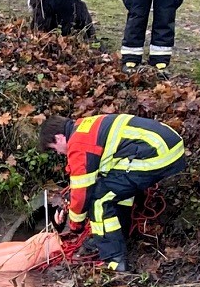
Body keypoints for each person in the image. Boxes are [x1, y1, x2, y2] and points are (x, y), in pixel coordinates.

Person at [37, 113, 187, 273]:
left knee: (99, 199)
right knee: (115, 192)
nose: (59, 153)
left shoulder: (78, 144)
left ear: (59, 138)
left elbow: (83, 192)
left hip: (159, 156)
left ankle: (114, 261)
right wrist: (67, 202)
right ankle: (115, 237)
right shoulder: (84, 127)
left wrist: (75, 225)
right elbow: (85, 179)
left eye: (55, 149)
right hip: (169, 148)